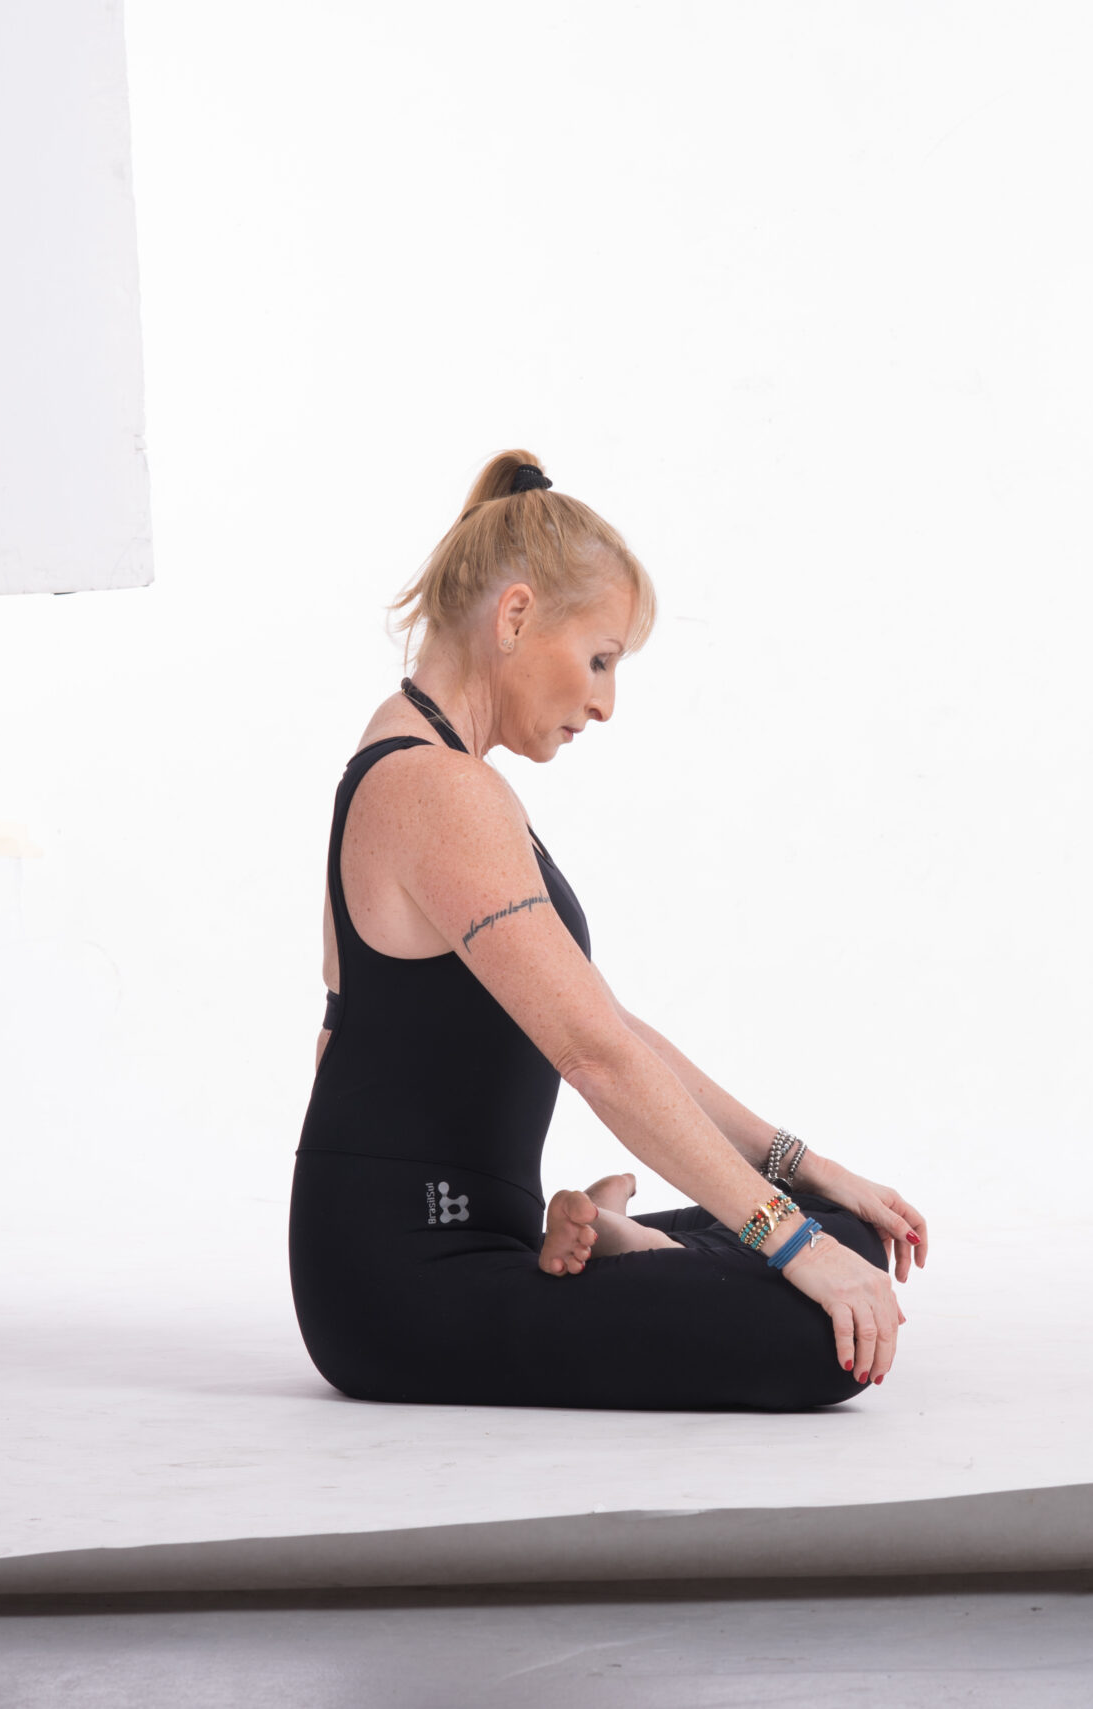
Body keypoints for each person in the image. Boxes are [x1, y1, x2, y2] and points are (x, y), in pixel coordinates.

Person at [290, 450, 928, 1410]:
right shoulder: (436, 787)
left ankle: (629, 1243)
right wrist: (792, 1243)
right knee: (821, 1329)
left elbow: (607, 1024)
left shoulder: (423, 762)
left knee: (848, 1234)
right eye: (600, 659)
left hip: (465, 1250)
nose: (605, 703)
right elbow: (593, 1056)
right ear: (515, 617)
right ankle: (639, 1250)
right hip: (408, 1285)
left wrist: (803, 1171)